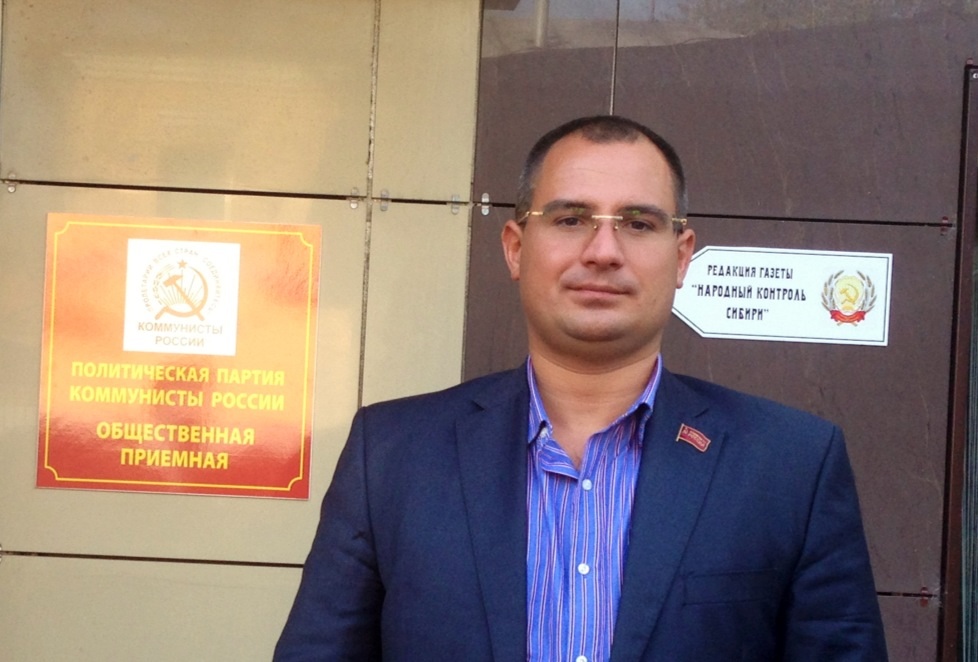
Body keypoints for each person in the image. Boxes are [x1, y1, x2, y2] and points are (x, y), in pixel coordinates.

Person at [274, 115, 887, 661]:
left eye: (638, 223)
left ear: (681, 257)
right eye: (570, 219)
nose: (603, 251)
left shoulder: (790, 466)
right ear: (516, 248)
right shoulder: (391, 455)